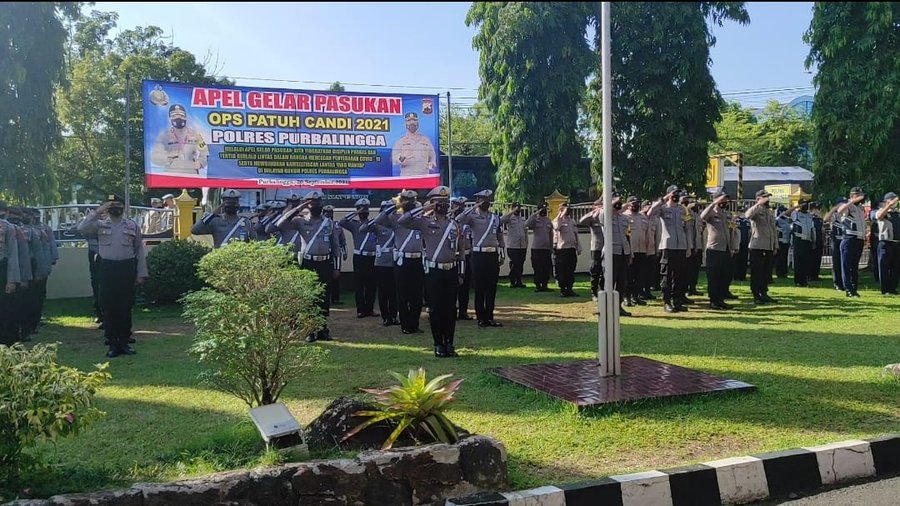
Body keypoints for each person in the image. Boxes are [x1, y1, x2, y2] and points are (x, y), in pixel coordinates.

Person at [77, 195, 148, 357]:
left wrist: (141, 273)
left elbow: (139, 251)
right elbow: (81, 228)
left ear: (123, 206)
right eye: (112, 205)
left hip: (126, 269)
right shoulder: (99, 224)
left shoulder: (132, 225)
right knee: (108, 307)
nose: (115, 207)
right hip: (107, 268)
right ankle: (112, 343)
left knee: (125, 307)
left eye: (118, 204)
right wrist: (98, 211)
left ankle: (124, 342)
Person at [397, 186, 464, 357]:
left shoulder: (454, 224)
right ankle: (438, 344)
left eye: (445, 201)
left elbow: (461, 250)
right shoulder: (425, 222)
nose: (443, 205)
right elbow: (403, 221)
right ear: (433, 203)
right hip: (433, 272)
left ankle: (449, 343)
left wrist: (461, 273)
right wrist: (424, 208)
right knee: (435, 309)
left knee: (450, 309)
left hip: (451, 271)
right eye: (439, 202)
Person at [275, 190, 341, 341]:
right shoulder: (300, 221)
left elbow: (335, 246)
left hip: (325, 262)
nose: (315, 205)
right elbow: (280, 224)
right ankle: (309, 331)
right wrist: (299, 208)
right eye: (312, 202)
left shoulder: (329, 223)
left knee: (323, 297)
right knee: (308, 298)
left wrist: (337, 267)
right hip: (308, 262)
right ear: (307, 204)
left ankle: (323, 330)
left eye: (318, 202)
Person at [374, 190, 425, 335]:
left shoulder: (419, 219)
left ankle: (414, 323)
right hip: (402, 260)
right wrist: (397, 206)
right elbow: (379, 219)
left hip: (417, 259)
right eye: (406, 200)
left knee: (417, 295)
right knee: (403, 294)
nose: (409, 203)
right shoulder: (395, 218)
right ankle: (405, 325)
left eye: (411, 200)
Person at [456, 189, 505, 327]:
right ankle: (481, 318)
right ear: (478, 201)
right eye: (483, 200)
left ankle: (490, 316)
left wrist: (502, 253)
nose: (486, 202)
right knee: (480, 287)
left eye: (488, 200)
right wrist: (473, 207)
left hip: (492, 254)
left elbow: (499, 235)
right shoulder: (472, 216)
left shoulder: (494, 217)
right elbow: (459, 219)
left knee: (491, 288)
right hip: (478, 255)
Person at [584, 194, 632, 316]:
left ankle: (618, 306)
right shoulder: (604, 215)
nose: (617, 203)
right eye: (614, 201)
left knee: (622, 282)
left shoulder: (623, 218)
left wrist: (629, 253)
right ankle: (604, 307)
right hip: (611, 253)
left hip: (623, 252)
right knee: (608, 280)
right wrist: (610, 203)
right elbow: (605, 212)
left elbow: (627, 236)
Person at [648, 186, 694, 313]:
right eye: (674, 193)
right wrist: (663, 199)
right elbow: (650, 212)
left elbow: (687, 229)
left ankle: (678, 301)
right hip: (668, 246)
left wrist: (689, 246)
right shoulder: (663, 208)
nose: (676, 196)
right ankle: (667, 302)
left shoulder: (682, 209)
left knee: (680, 276)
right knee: (666, 276)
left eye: (678, 193)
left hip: (681, 246)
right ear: (668, 194)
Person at [361, 201, 399, 326]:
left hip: (395, 261)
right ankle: (386, 317)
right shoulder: (377, 225)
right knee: (383, 291)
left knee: (394, 291)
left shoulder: (397, 223)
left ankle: (394, 315)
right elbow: (362, 229)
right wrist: (379, 217)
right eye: (386, 211)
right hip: (381, 262)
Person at [339, 198, 378, 318]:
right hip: (359, 258)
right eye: (361, 210)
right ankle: (361, 310)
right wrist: (355, 213)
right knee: (359, 285)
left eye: (365, 209)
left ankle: (370, 309)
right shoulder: (354, 225)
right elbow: (341, 222)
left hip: (371, 257)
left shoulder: (373, 224)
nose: (363, 212)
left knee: (371, 285)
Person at [701, 191, 738, 310]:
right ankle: (713, 301)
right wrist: (713, 204)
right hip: (714, 249)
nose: (724, 202)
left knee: (724, 276)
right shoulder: (711, 213)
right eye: (722, 200)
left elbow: (731, 231)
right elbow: (703, 216)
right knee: (714, 277)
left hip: (726, 249)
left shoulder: (726, 214)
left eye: (726, 200)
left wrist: (732, 247)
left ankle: (720, 299)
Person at [150, 104, 209, 174]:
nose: (178, 117)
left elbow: (205, 152)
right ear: (170, 118)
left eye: (181, 115)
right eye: (174, 115)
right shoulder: (164, 136)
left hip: (191, 175)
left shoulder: (195, 135)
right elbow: (154, 156)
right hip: (171, 176)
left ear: (186, 117)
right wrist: (167, 158)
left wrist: (201, 163)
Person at [191, 189, 256, 248]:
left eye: (233, 203)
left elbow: (254, 242)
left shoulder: (246, 222)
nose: (231, 206)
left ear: (238, 205)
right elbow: (195, 230)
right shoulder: (216, 221)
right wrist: (213, 214)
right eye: (228, 203)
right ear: (223, 205)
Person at [746, 190, 778, 304]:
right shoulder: (756, 210)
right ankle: (756, 295)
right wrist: (758, 204)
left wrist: (775, 245)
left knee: (766, 272)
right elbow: (747, 215)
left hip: (768, 247)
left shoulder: (769, 212)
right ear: (758, 198)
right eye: (764, 197)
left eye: (768, 197)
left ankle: (764, 293)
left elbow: (773, 230)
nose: (767, 199)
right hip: (757, 246)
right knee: (757, 272)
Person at [837, 187, 867, 298]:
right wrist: (851, 202)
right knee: (846, 266)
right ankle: (848, 289)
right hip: (849, 239)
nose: (861, 197)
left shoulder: (860, 208)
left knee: (854, 266)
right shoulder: (848, 206)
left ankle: (854, 288)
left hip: (859, 239)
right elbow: (839, 211)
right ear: (852, 196)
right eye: (858, 195)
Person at [0, 201, 22, 345]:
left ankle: (7, 341)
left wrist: (12, 279)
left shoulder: (7, 227)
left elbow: (13, 254)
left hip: (2, 268)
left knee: (5, 307)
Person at [623, 197, 651, 306]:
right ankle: (627, 297)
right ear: (629, 204)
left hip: (642, 250)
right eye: (633, 203)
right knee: (628, 276)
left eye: (637, 203)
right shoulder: (625, 216)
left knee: (639, 275)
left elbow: (647, 233)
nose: (636, 206)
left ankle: (636, 296)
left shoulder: (643, 217)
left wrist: (649, 248)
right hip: (630, 251)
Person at [391, 112, 436, 177]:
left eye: (414, 120)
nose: (412, 122)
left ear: (418, 122)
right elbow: (394, 161)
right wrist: (402, 157)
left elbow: (432, 155)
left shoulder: (426, 140)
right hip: (407, 178)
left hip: (424, 177)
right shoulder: (400, 142)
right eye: (409, 120)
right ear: (406, 124)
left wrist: (431, 164)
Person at [451, 197, 474, 319]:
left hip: (466, 254)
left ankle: (463, 311)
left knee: (465, 284)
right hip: (454, 256)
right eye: (458, 205)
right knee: (453, 285)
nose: (461, 208)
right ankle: (452, 310)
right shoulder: (450, 220)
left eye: (463, 205)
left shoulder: (469, 220)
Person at [579, 199, 606, 301]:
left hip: (606, 247)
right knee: (595, 270)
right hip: (596, 247)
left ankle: (603, 290)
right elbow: (582, 221)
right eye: (598, 206)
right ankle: (594, 292)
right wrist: (593, 212)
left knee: (605, 271)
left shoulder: (606, 217)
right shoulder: (592, 219)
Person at [552, 202, 580, 297]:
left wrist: (578, 246)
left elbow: (575, 234)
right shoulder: (557, 220)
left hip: (571, 248)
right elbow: (557, 228)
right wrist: (561, 214)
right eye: (565, 209)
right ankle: (563, 289)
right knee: (562, 270)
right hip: (561, 249)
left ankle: (570, 288)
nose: (568, 211)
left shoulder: (572, 221)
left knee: (570, 270)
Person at [526, 202, 554, 292]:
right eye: (542, 209)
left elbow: (551, 235)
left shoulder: (548, 220)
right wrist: (535, 214)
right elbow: (527, 223)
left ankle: (545, 285)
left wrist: (551, 247)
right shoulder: (535, 220)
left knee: (546, 268)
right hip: (537, 249)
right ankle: (538, 285)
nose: (544, 210)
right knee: (537, 268)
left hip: (546, 249)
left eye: (545, 209)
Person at [788, 199, 816, 287]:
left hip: (807, 240)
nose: (805, 206)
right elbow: (786, 213)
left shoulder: (809, 215)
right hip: (799, 240)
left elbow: (812, 229)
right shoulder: (795, 214)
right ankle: (798, 281)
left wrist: (813, 241)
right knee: (798, 261)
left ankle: (804, 280)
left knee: (806, 262)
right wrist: (795, 207)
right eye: (803, 204)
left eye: (806, 204)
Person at [875, 192, 900, 295]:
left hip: (897, 243)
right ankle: (885, 289)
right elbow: (879, 216)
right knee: (884, 267)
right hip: (885, 243)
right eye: (892, 199)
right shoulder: (882, 211)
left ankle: (893, 288)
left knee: (896, 267)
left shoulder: (897, 213)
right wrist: (888, 205)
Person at [501, 202, 528, 288]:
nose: (518, 209)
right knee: (515, 263)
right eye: (516, 208)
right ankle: (512, 281)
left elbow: (525, 232)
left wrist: (526, 243)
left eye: (519, 208)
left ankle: (519, 281)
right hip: (512, 245)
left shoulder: (522, 219)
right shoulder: (509, 218)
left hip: (522, 245)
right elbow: (502, 220)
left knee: (520, 264)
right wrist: (512, 211)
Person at [324, 205, 346, 305]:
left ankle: (335, 299)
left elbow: (342, 241)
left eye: (330, 212)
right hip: (324, 253)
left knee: (336, 276)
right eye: (327, 212)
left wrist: (345, 252)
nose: (329, 214)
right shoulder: (321, 225)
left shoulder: (337, 226)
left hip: (335, 253)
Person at [824, 198, 846, 291]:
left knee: (846, 262)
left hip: (846, 240)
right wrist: (834, 208)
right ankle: (838, 283)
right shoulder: (835, 215)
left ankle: (846, 282)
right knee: (837, 262)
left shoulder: (847, 214)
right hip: (837, 240)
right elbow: (825, 219)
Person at [774, 205, 792, 279]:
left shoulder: (786, 220)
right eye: (784, 211)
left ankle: (784, 272)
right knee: (779, 258)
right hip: (780, 241)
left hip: (786, 241)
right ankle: (779, 273)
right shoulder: (778, 220)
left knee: (784, 258)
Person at [810, 202, 825, 281]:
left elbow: (822, 230)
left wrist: (823, 240)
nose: (818, 211)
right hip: (812, 241)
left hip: (819, 241)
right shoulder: (810, 218)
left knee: (818, 259)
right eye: (816, 209)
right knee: (811, 259)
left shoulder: (819, 219)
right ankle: (810, 275)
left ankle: (815, 275)